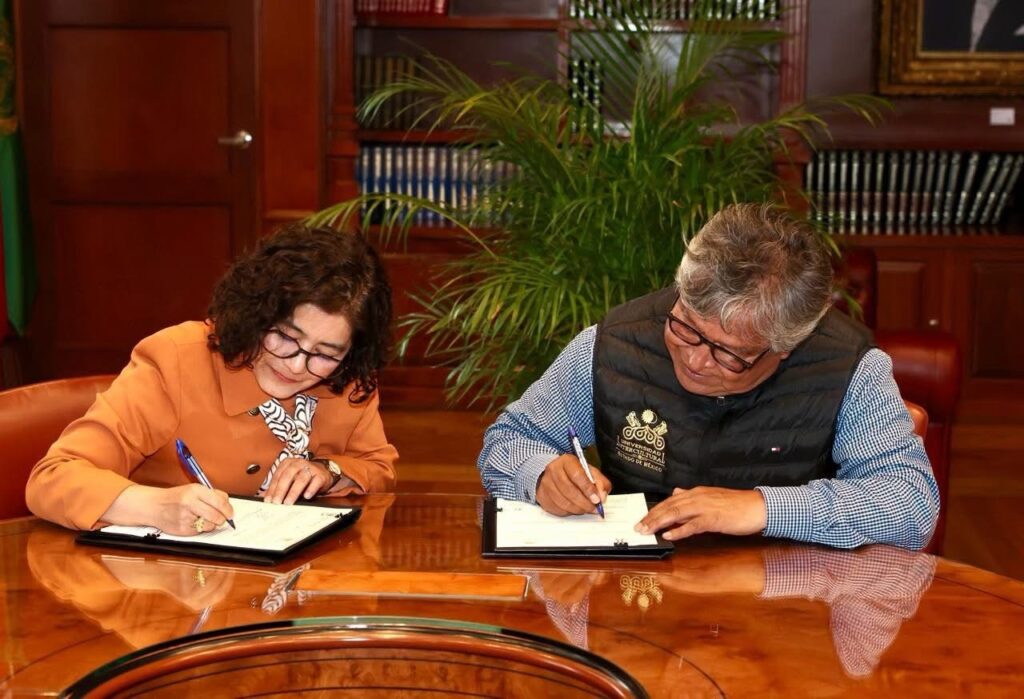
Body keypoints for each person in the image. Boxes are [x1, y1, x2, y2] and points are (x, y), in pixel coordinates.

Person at [478, 203, 939, 550]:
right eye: (685, 328)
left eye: (728, 354)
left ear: (786, 346)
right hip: (639, 601)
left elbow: (911, 506)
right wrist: (540, 474)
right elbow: (507, 441)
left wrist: (762, 508)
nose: (696, 361)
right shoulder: (615, 343)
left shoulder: (848, 368)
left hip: (787, 611)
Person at [26, 223, 398, 535]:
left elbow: (379, 469)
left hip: (301, 578)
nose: (298, 366)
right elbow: (52, 478)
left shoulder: (348, 379)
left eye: (325, 353)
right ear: (258, 312)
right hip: (166, 581)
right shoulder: (177, 361)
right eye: (286, 336)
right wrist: (154, 506)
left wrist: (329, 471)